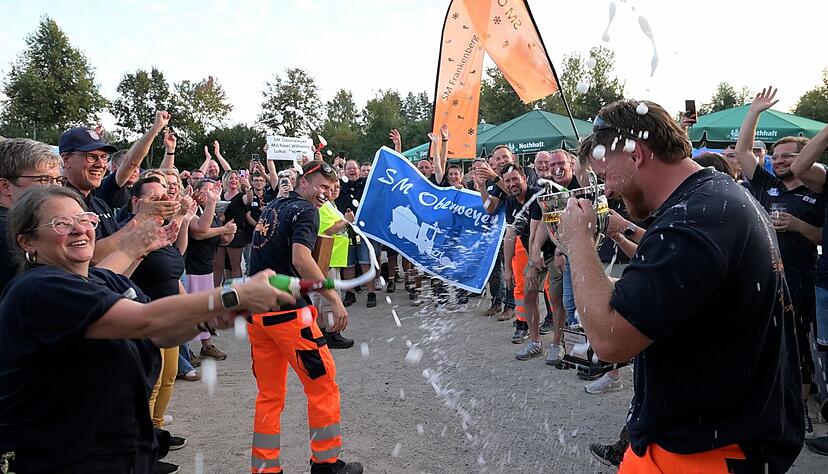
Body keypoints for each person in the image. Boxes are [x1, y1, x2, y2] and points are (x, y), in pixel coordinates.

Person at [560, 99, 803, 472]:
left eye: (606, 176)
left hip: (706, 452)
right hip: (708, 436)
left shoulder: (693, 220)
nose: (606, 192)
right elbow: (671, 288)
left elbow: (610, 340)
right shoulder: (712, 197)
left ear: (636, 153)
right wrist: (618, 233)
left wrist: (577, 241)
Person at [0, 185, 292, 474]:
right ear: (27, 242)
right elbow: (146, 319)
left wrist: (206, 319)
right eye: (62, 223)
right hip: (61, 458)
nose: (79, 230)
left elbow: (158, 334)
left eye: (84, 219)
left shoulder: (98, 281)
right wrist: (232, 296)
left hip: (114, 451)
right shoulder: (38, 288)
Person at [248, 161, 362, 474]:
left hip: (258, 313)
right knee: (323, 385)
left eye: (330, 188)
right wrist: (334, 298)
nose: (325, 194)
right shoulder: (306, 210)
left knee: (269, 396)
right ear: (306, 181)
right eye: (322, 186)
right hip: (287, 316)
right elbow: (301, 258)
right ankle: (326, 464)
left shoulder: (274, 205)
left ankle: (265, 469)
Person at [734, 87, 823, 436]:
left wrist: (800, 225)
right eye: (776, 154)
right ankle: (767, 405)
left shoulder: (817, 193)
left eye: (788, 156)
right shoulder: (766, 184)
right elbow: (742, 151)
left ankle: (799, 410)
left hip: (802, 280)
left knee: (800, 345)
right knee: (764, 342)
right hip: (765, 280)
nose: (780, 160)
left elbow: (822, 239)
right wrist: (754, 112)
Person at [789, 118, 828, 456]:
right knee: (826, 356)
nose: (780, 159)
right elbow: (803, 166)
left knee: (810, 349)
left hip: (809, 279)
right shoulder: (825, 179)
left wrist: (800, 226)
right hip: (824, 282)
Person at [0, 138, 65, 295]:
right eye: (44, 179)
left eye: (58, 180)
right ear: (5, 186)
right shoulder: (8, 229)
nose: (56, 188)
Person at [184, 178, 237, 362]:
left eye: (213, 190)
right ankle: (186, 350)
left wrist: (228, 235)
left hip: (206, 267)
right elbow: (199, 233)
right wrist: (224, 229)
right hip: (192, 268)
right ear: (196, 193)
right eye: (206, 190)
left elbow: (219, 240)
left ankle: (206, 345)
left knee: (205, 310)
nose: (211, 193)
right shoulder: (192, 211)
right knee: (192, 310)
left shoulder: (211, 212)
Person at [94, 112, 171, 210]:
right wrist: (156, 128)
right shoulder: (108, 187)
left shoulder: (138, 189)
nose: (134, 170)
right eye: (125, 165)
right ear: (114, 167)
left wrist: (170, 150)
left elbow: (165, 175)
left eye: (138, 167)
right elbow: (131, 162)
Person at [335, 159, 377, 308]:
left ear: (359, 170)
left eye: (354, 168)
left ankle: (371, 293)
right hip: (345, 230)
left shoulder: (366, 184)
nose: (352, 171)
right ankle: (350, 293)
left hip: (364, 230)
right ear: (345, 171)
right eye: (349, 169)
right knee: (348, 263)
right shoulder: (340, 186)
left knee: (366, 262)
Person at [214, 169, 248, 287]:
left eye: (236, 178)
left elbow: (248, 200)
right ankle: (214, 291)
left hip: (236, 233)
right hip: (220, 232)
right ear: (226, 180)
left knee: (235, 265)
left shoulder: (242, 196)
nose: (234, 180)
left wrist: (248, 187)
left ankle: (238, 292)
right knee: (218, 265)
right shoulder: (220, 196)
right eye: (231, 178)